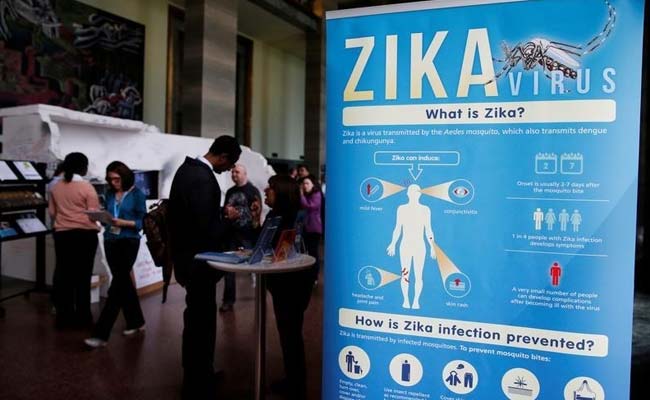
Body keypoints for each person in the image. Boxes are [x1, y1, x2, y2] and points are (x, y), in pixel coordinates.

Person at [168, 135, 241, 399]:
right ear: (223, 157)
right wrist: (228, 219)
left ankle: (199, 376)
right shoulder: (203, 178)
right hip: (199, 264)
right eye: (228, 165)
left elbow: (193, 218)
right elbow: (206, 231)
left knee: (196, 321)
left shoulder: (186, 170)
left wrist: (217, 215)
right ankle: (198, 382)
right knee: (201, 325)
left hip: (187, 261)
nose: (227, 170)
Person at [84, 161, 147, 348]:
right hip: (111, 240)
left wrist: (123, 223)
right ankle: (136, 322)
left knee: (117, 286)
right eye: (110, 179)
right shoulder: (110, 193)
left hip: (129, 241)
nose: (113, 183)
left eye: (117, 179)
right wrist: (100, 217)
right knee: (124, 283)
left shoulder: (137, 194)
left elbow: (142, 222)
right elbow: (109, 218)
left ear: (125, 177)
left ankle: (100, 335)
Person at [264, 175, 314, 399]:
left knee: (290, 334)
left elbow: (274, 250)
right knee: (289, 334)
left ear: (281, 192)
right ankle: (294, 380)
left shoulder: (288, 218)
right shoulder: (279, 215)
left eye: (271, 188)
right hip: (287, 283)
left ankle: (296, 385)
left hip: (291, 284)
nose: (265, 191)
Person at [48, 152, 100, 329]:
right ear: (83, 168)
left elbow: (52, 213)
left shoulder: (55, 187)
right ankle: (83, 317)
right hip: (85, 236)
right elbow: (93, 214)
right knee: (82, 277)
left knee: (64, 277)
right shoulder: (87, 187)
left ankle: (64, 318)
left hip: (62, 235)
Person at [220, 164, 261, 312]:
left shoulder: (252, 191)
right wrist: (226, 212)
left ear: (245, 174)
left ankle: (259, 295)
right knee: (228, 270)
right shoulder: (230, 191)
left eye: (237, 172)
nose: (234, 174)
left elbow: (257, 214)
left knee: (255, 266)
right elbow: (225, 211)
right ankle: (228, 300)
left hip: (247, 235)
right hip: (231, 234)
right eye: (232, 172)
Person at [298, 174, 323, 283]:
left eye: (307, 183)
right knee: (305, 252)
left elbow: (310, 206)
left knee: (313, 252)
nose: (305, 186)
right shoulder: (307, 195)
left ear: (313, 184)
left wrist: (301, 195)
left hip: (314, 228)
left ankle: (314, 277)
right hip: (306, 228)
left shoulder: (316, 194)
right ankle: (308, 275)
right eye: (303, 184)